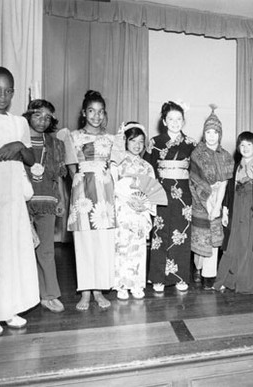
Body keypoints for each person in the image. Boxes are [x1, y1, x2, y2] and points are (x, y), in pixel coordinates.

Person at [0, 66, 39, 336]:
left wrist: (19, 147)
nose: (2, 95)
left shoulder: (19, 123)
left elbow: (31, 159)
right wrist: (1, 153)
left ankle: (8, 308)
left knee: (10, 252)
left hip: (12, 194)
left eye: (8, 91)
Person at [64, 90, 116, 311]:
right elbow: (71, 168)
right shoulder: (72, 137)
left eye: (100, 112)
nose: (96, 116)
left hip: (105, 193)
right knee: (84, 243)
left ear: (104, 114)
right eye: (91, 111)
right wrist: (81, 186)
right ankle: (85, 292)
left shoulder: (111, 139)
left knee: (103, 242)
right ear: (84, 113)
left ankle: (98, 290)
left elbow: (115, 167)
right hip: (83, 192)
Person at [213, 131, 253, 294]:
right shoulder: (235, 167)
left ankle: (250, 284)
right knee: (233, 244)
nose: (245, 148)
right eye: (242, 145)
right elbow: (229, 191)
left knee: (250, 245)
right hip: (236, 210)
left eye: (249, 144)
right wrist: (226, 210)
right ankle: (228, 280)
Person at [144, 101, 196, 293]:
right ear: (164, 121)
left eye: (179, 119)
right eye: (171, 119)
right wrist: (149, 194)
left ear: (183, 121)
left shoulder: (191, 144)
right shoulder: (155, 143)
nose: (175, 122)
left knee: (182, 233)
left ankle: (181, 277)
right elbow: (148, 169)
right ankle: (158, 277)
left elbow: (197, 172)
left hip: (184, 192)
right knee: (160, 233)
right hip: (161, 190)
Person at [113, 122, 166, 300]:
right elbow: (114, 187)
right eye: (132, 140)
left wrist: (144, 205)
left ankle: (136, 284)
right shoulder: (118, 164)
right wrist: (128, 200)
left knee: (139, 248)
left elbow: (152, 192)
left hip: (140, 211)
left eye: (141, 141)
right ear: (125, 141)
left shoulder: (147, 166)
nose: (137, 145)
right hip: (123, 210)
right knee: (122, 247)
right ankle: (121, 284)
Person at [23, 99, 67, 313]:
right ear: (28, 115)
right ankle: (25, 296)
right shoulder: (18, 141)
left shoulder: (55, 143)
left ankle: (49, 295)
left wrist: (61, 202)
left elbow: (59, 177)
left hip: (47, 202)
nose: (42, 120)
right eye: (38, 115)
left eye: (47, 117)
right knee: (23, 251)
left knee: (46, 250)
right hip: (21, 202)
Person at [190, 105, 234, 289]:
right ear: (204, 134)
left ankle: (210, 275)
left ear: (220, 134)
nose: (211, 136)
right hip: (199, 200)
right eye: (208, 132)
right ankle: (197, 269)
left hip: (218, 198)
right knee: (201, 238)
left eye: (215, 132)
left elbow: (224, 183)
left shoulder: (225, 156)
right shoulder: (197, 154)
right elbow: (194, 181)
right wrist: (207, 204)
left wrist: (217, 206)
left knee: (214, 240)